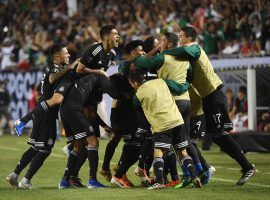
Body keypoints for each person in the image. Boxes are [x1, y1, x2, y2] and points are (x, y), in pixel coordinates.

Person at [165, 26, 255, 186]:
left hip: (214, 95)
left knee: (219, 135)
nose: (179, 39)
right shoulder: (187, 54)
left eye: (181, 36)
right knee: (215, 136)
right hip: (208, 98)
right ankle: (207, 168)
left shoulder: (194, 48)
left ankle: (246, 166)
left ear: (189, 37)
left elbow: (184, 52)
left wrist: (164, 53)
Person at [14, 25, 120, 136]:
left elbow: (101, 67)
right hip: (71, 79)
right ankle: (22, 121)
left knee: (86, 109)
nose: (118, 36)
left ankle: (73, 145)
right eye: (115, 34)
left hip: (83, 86)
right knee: (57, 100)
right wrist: (98, 71)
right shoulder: (93, 53)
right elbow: (79, 70)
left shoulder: (111, 54)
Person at [6, 44, 73, 189]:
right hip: (46, 113)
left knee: (35, 148)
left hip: (42, 111)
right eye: (66, 53)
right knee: (45, 149)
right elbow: (52, 78)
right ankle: (26, 181)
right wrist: (70, 68)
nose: (68, 55)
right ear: (57, 56)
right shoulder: (55, 68)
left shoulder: (55, 68)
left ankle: (15, 174)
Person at [128, 70, 201, 189]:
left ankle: (160, 181)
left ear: (135, 83)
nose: (131, 85)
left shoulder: (138, 94)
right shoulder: (161, 81)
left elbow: (137, 107)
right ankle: (194, 177)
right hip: (177, 120)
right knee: (183, 152)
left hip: (162, 124)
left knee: (158, 152)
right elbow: (178, 87)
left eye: (131, 83)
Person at [58, 73, 123, 189]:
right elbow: (88, 111)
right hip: (78, 115)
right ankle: (91, 181)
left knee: (80, 147)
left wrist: (103, 125)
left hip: (71, 113)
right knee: (91, 144)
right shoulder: (92, 88)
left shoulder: (96, 89)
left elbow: (92, 111)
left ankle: (66, 180)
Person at [100, 40, 145, 183]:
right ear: (133, 53)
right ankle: (107, 168)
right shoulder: (126, 66)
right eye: (140, 51)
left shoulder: (135, 66)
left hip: (129, 108)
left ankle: (119, 169)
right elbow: (116, 82)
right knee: (117, 136)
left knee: (130, 140)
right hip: (120, 108)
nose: (143, 53)